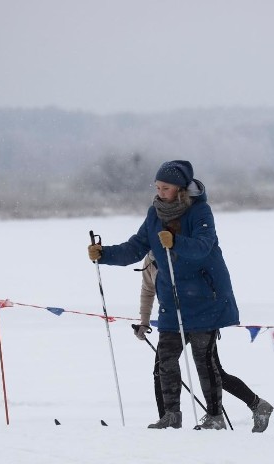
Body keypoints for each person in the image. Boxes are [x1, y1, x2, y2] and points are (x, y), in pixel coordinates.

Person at [87, 159, 255, 430]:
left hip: (205, 297)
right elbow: (135, 247)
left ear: (180, 189)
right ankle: (171, 415)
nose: (159, 192)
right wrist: (104, 254)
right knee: (165, 359)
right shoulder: (154, 214)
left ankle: (215, 418)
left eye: (165, 188)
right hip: (172, 298)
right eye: (157, 187)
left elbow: (202, 247)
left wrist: (176, 241)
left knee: (205, 361)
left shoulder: (201, 212)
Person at [133, 250, 274, 432]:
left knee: (212, 371)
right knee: (162, 366)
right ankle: (168, 417)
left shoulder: (186, 250)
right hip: (172, 321)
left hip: (201, 318)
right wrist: (144, 322)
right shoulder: (150, 259)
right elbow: (147, 289)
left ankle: (253, 406)